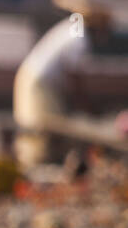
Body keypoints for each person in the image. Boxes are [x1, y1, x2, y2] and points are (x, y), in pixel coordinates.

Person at [13, 9, 113, 166]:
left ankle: (36, 162)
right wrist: (88, 109)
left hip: (34, 78)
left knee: (42, 124)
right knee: (43, 126)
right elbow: (75, 79)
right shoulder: (80, 38)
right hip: (38, 82)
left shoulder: (73, 29)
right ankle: (35, 163)